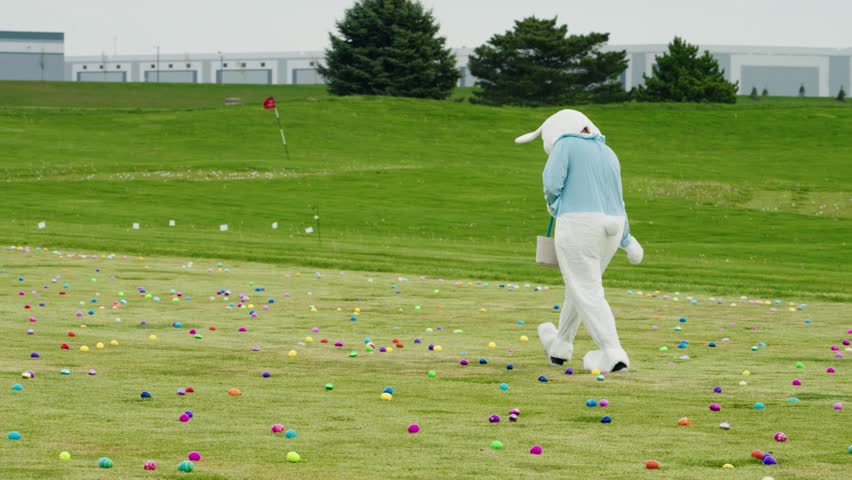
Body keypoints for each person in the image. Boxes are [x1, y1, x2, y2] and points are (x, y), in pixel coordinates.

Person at [515, 109, 644, 372]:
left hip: (579, 224)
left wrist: (555, 205)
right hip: (612, 227)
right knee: (580, 287)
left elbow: (551, 183)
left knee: (586, 290)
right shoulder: (608, 152)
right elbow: (617, 199)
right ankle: (560, 346)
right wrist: (627, 239)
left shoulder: (565, 143)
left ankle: (612, 352)